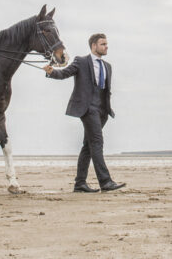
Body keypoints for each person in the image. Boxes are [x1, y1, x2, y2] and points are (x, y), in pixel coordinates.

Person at [44, 33, 126, 193]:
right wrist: (51, 71)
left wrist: (107, 109)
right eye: (103, 44)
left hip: (102, 110)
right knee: (97, 142)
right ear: (94, 46)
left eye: (106, 44)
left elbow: (106, 90)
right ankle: (106, 182)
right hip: (88, 109)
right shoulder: (81, 61)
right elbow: (65, 73)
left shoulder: (107, 66)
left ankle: (80, 183)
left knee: (88, 146)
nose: (106, 46)